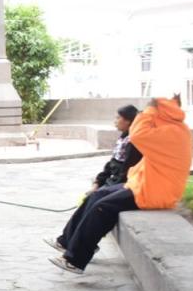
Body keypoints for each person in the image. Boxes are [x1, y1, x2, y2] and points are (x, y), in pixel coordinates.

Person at [49, 96, 192, 274]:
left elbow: (137, 135)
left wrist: (148, 112)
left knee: (103, 208)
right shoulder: (172, 129)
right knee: (96, 196)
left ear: (159, 112)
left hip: (154, 192)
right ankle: (67, 242)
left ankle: (76, 260)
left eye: (151, 110)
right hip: (143, 184)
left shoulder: (172, 132)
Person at [46, 104, 142, 254]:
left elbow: (126, 173)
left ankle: (83, 245)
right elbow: (111, 166)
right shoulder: (123, 139)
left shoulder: (134, 143)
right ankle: (65, 241)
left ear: (129, 121)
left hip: (122, 185)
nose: (115, 121)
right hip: (112, 183)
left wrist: (104, 188)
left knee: (96, 204)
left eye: (118, 118)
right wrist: (98, 182)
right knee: (89, 199)